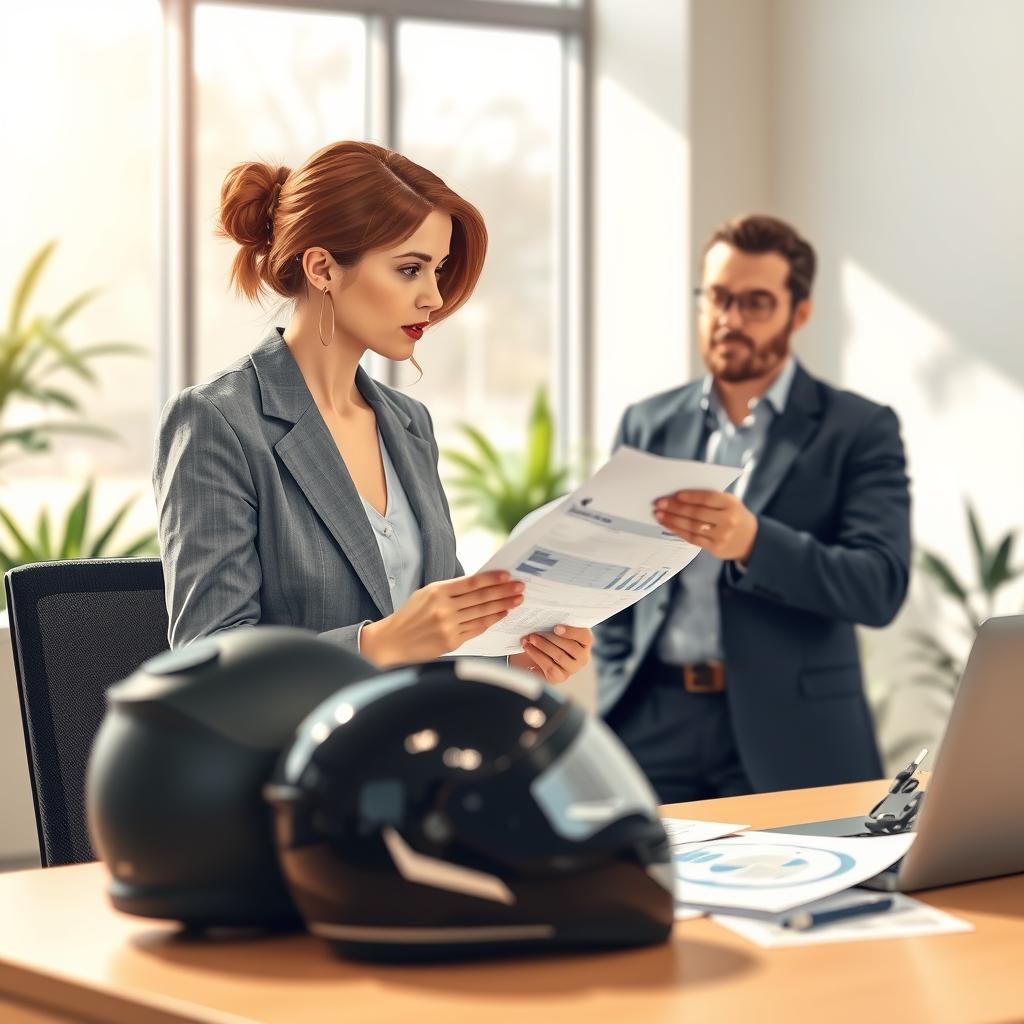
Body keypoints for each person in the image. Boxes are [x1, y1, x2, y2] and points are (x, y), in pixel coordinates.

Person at [153, 140, 591, 681]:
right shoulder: (217, 422)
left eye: (438, 270)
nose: (434, 296)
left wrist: (507, 653)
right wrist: (375, 644)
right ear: (323, 269)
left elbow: (437, 635)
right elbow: (206, 663)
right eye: (410, 269)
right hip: (295, 759)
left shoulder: (410, 425)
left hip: (416, 747)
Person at [593, 214, 911, 802]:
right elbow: (616, 577)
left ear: (801, 312)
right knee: (645, 891)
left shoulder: (860, 429)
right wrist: (616, 676)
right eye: (717, 297)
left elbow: (880, 585)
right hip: (649, 721)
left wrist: (755, 544)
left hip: (791, 731)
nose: (730, 320)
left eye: (756, 303)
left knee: (807, 895)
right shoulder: (647, 422)